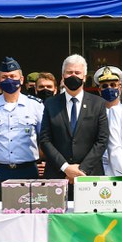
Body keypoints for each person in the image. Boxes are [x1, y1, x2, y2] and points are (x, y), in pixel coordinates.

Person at [38, 54, 110, 182]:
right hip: (57, 175)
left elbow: (102, 140)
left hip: (89, 175)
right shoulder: (51, 104)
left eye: (77, 72)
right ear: (63, 76)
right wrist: (66, 168)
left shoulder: (98, 103)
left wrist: (81, 170)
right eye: (69, 72)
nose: (73, 76)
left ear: (84, 77)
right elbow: (45, 139)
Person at [0, 57, 43, 185]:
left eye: (12, 76)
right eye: (4, 77)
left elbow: (44, 139)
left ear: (21, 79)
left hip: (28, 169)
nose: (9, 80)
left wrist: (38, 157)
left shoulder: (35, 105)